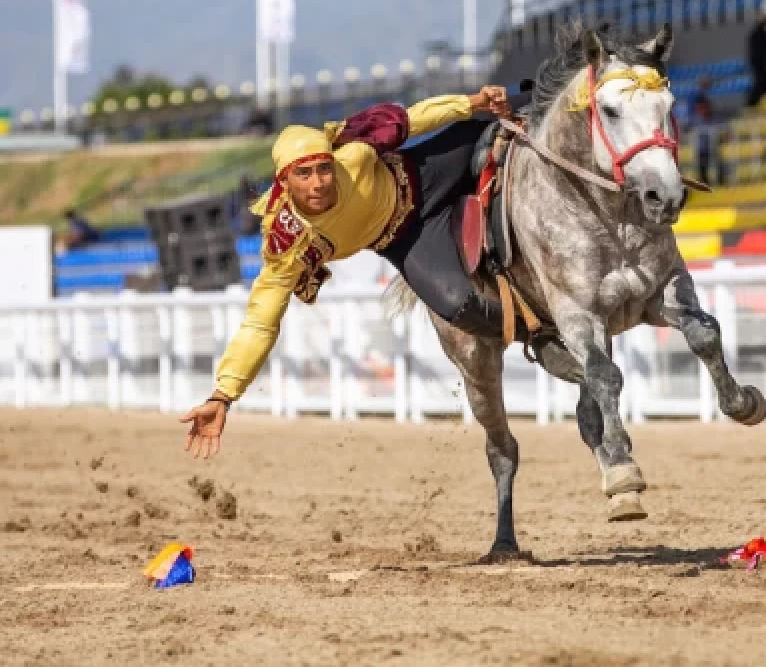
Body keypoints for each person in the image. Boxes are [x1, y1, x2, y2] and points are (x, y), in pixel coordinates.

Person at [179, 87, 570, 458]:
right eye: (305, 175)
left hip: (426, 173)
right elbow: (260, 323)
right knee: (459, 304)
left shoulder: (354, 154)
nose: (319, 183)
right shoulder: (288, 244)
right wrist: (223, 395)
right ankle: (541, 335)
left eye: (323, 169)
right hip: (406, 237)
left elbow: (411, 120)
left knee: (503, 121)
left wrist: (473, 102)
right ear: (284, 181)